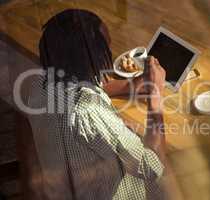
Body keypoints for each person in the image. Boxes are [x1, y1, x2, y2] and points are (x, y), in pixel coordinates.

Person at [27, 9, 167, 200]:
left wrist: (133, 85)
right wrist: (156, 94)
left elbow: (82, 88)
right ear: (91, 56)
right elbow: (152, 166)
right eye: (106, 47)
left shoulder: (39, 87)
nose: (109, 51)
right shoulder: (88, 111)